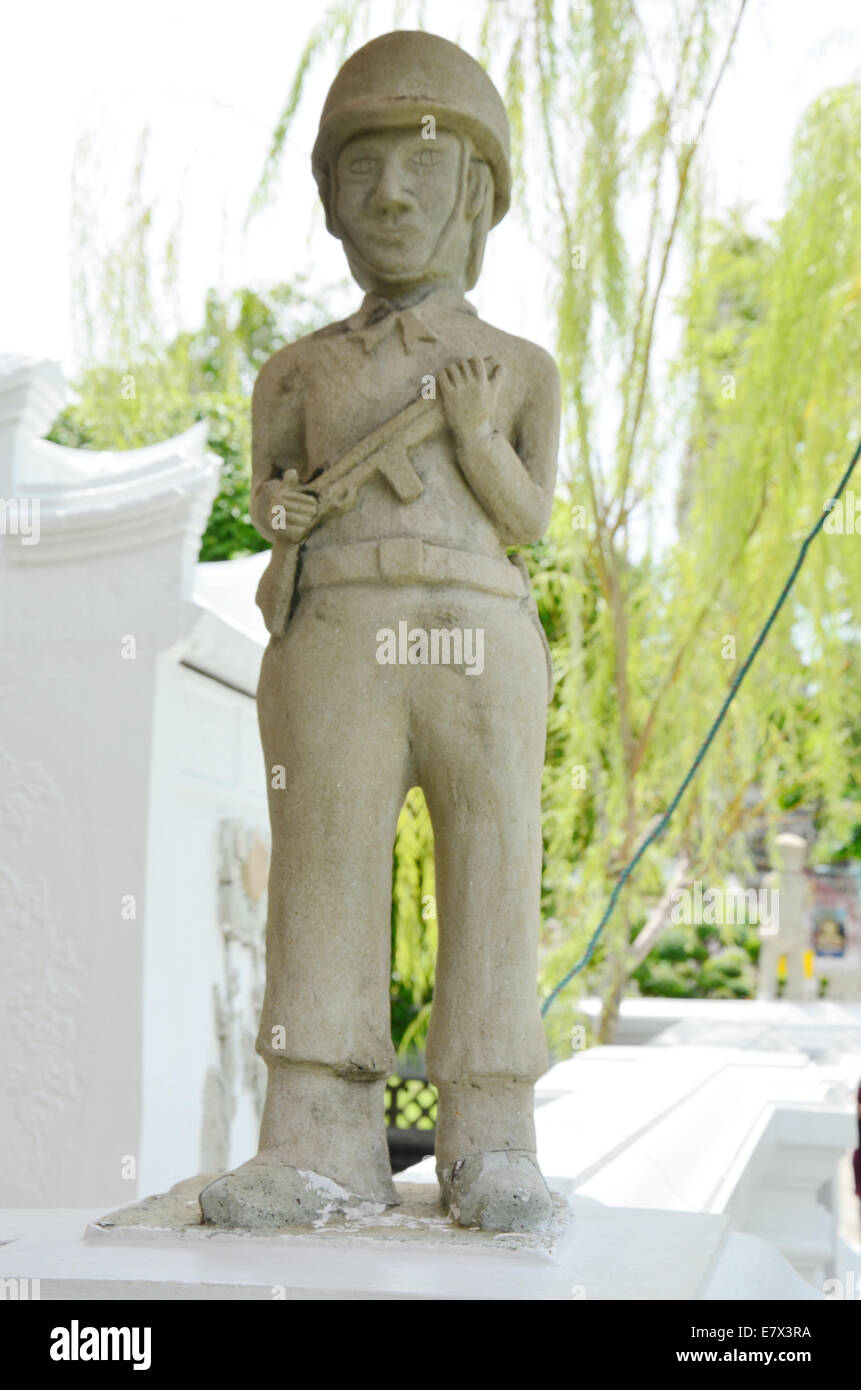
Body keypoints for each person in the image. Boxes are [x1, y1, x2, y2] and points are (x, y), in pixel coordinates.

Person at [200, 30, 560, 1233]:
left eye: (419, 164)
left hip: (477, 629)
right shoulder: (296, 372)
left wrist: (466, 437)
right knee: (324, 869)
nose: (390, 194)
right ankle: (314, 1139)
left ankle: (492, 1137)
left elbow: (531, 521)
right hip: (338, 627)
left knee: (495, 863)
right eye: (359, 171)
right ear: (330, 200)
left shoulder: (518, 369)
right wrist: (286, 510)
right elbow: (274, 502)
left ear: (478, 193)